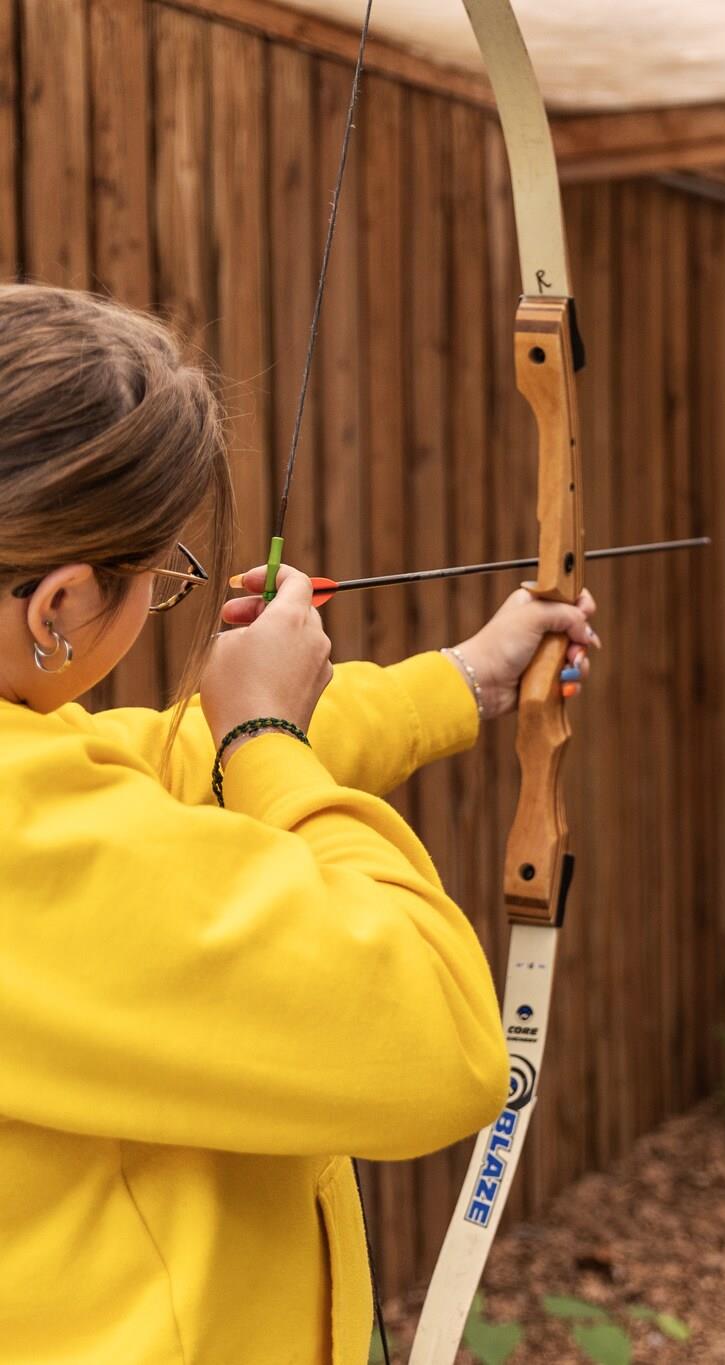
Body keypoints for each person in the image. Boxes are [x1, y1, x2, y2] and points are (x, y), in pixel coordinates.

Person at [0, 283, 598, 1363]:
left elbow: (155, 776)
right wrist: (265, 732)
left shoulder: (39, 789)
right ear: (59, 608)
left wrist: (465, 676)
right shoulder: (28, 841)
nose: (168, 597)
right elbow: (443, 1037)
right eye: (163, 576)